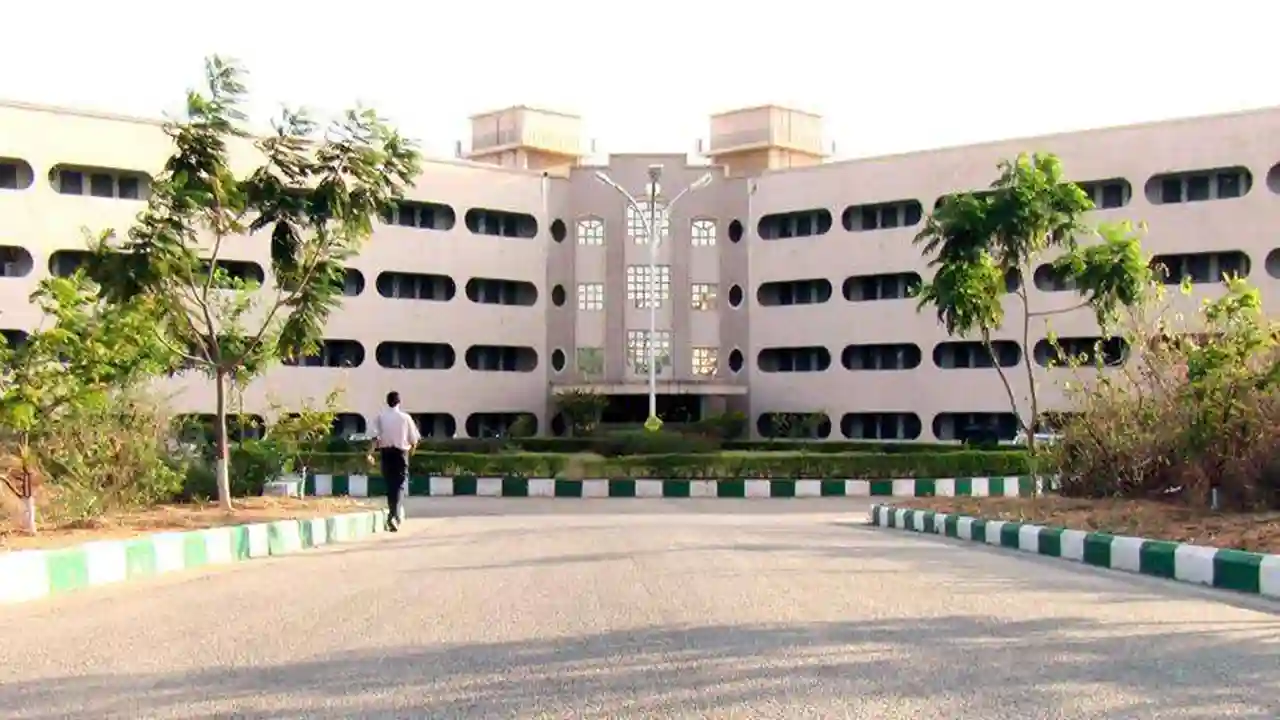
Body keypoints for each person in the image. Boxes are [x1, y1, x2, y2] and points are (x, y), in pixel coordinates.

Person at [368, 390, 420, 531]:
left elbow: (375, 438)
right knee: (400, 485)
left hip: (386, 453)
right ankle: (393, 516)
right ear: (399, 402)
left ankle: (393, 515)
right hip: (401, 454)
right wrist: (411, 452)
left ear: (387, 402)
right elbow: (414, 440)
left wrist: (370, 453)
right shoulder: (405, 418)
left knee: (390, 485)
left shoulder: (380, 417)